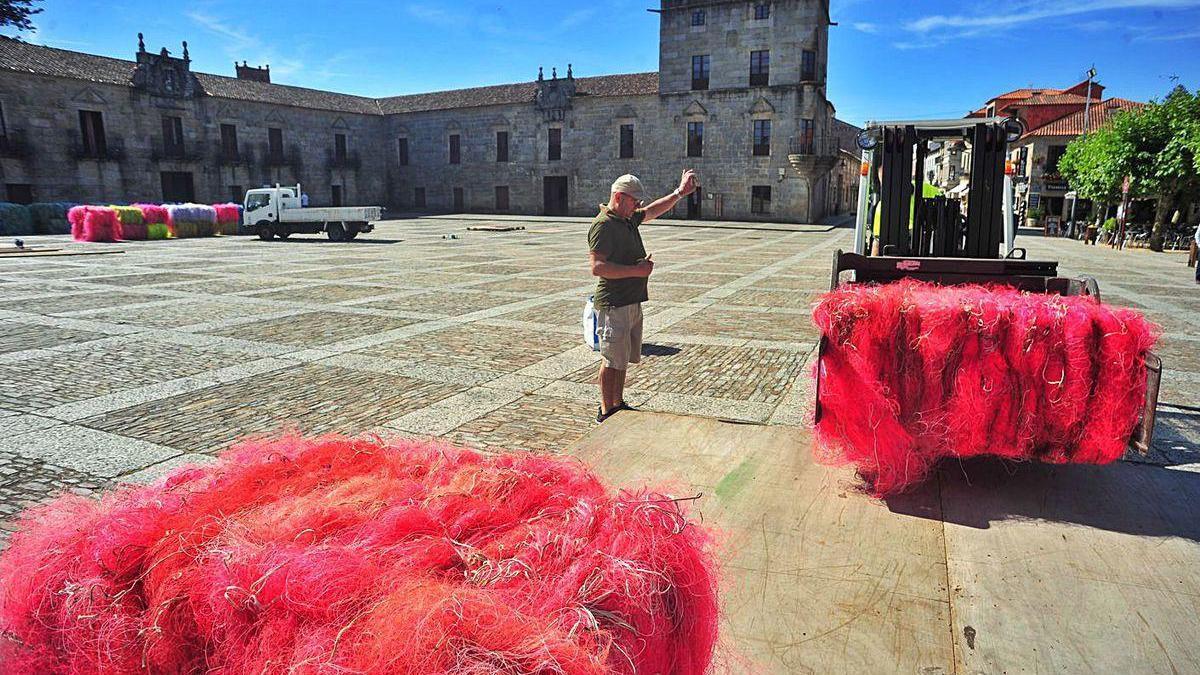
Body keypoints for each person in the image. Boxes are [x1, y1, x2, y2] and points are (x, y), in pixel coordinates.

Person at [589, 170, 698, 422]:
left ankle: (617, 403)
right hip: (613, 303)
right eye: (634, 201)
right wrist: (636, 270)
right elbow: (597, 267)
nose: (638, 206)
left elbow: (653, 211)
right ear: (619, 197)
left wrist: (679, 193)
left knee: (622, 358)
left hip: (630, 301)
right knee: (611, 359)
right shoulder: (603, 225)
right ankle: (606, 410)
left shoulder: (626, 219)